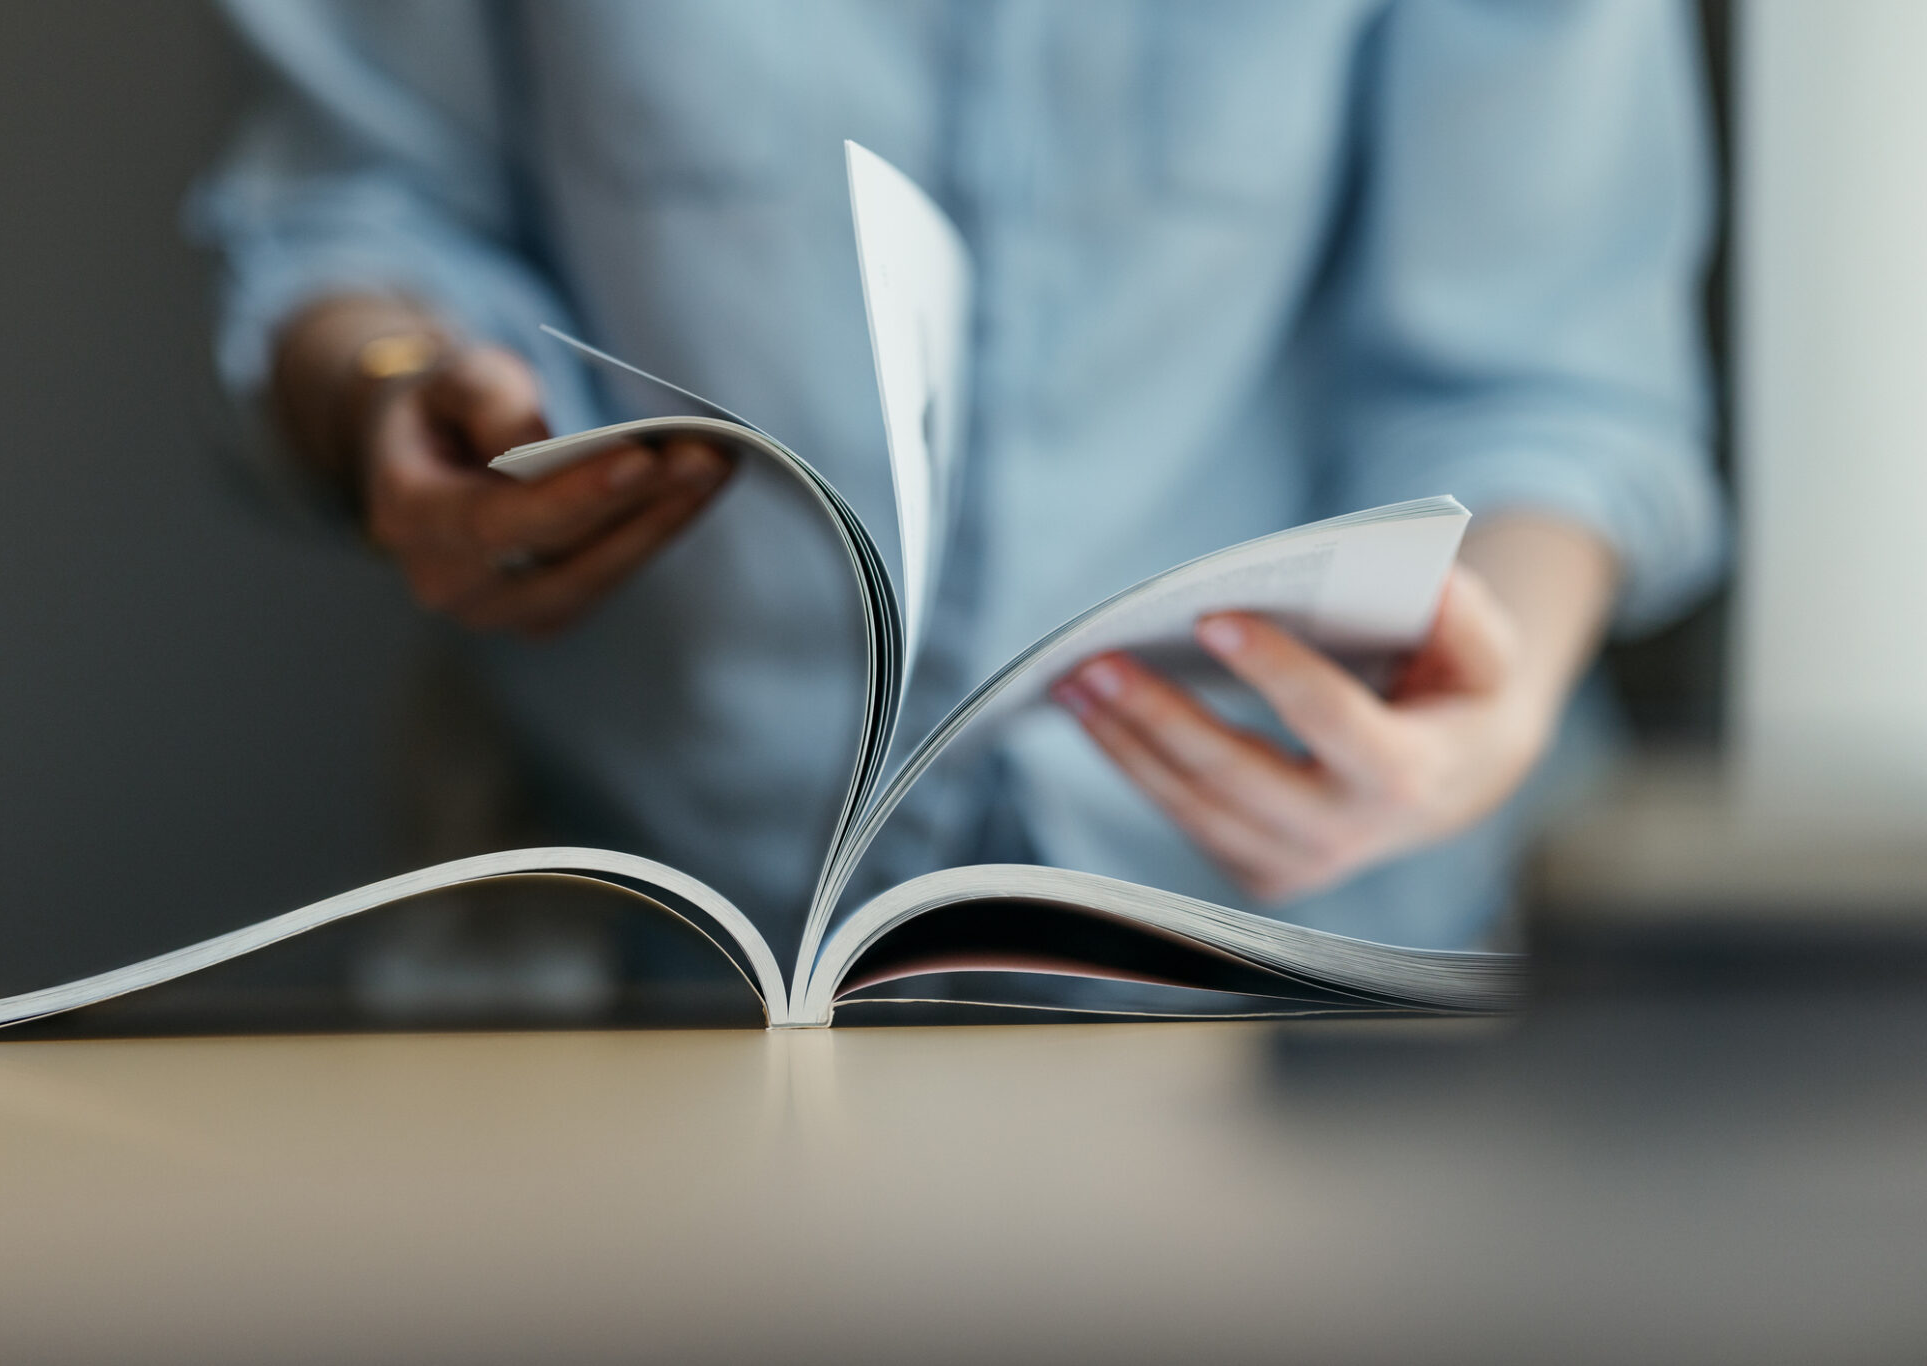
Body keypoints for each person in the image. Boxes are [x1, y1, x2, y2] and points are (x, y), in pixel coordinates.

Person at [190, 1, 1723, 957]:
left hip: (1309, 976)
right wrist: (392, 395)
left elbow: (1554, 381)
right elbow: (357, 207)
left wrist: (1482, 706)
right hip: (638, 929)